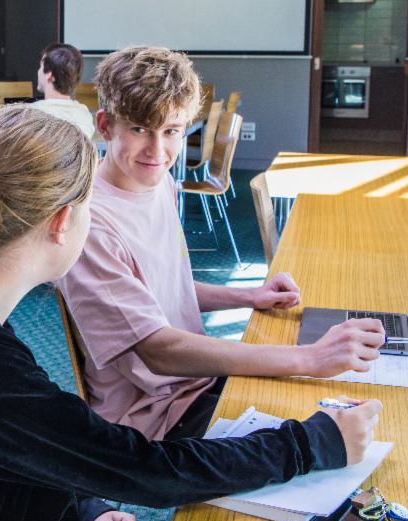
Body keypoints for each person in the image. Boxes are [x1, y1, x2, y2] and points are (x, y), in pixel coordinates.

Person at [0, 105, 381, 521]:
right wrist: (313, 442)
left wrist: (85, 509)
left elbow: (19, 443)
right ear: (63, 221)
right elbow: (149, 472)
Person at [55, 46, 385, 441]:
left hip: (195, 382)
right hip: (152, 415)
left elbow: (160, 290)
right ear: (106, 125)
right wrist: (309, 358)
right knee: (320, 439)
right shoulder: (90, 223)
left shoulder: (162, 185)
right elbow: (156, 348)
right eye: (140, 129)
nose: (157, 151)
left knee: (347, 412)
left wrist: (248, 296)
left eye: (171, 131)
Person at [28, 43, 95, 138]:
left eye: (40, 67)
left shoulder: (31, 115)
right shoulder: (85, 115)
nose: (38, 71)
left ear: (49, 75)